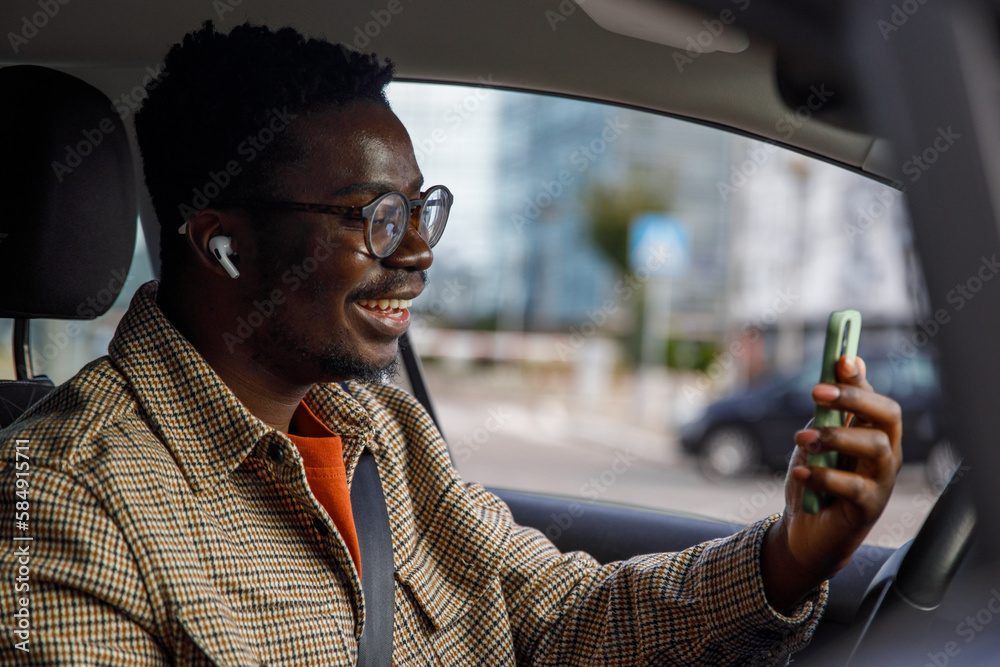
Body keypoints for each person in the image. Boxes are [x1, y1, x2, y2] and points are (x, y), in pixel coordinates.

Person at [0, 21, 902, 665]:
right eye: (378, 217)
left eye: (421, 208)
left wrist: (789, 554)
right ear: (225, 245)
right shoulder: (63, 499)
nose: (423, 252)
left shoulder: (385, 437)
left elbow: (561, 620)